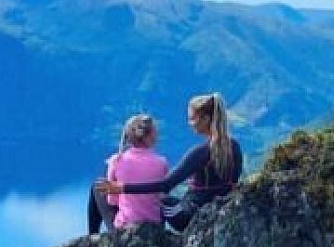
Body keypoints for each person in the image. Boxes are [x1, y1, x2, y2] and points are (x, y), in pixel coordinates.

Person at [96, 93, 242, 232]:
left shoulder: (201, 152)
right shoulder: (234, 146)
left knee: (157, 199)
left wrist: (123, 188)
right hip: (219, 209)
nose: (190, 123)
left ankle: (112, 230)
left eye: (192, 119)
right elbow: (231, 184)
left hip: (188, 216)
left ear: (206, 119)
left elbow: (166, 185)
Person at [86, 113, 168, 234]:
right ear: (150, 136)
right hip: (155, 223)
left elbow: (112, 201)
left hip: (125, 227)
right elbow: (162, 194)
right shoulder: (162, 162)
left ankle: (92, 236)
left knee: (97, 187)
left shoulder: (116, 161)